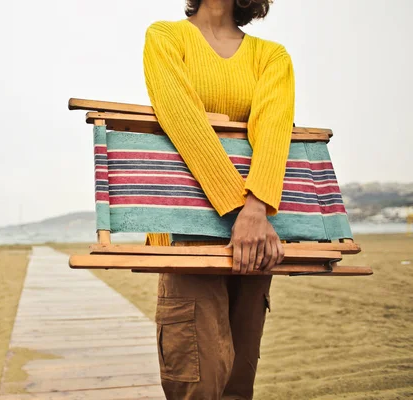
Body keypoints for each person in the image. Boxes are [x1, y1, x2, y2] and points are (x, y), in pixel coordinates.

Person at [143, 0, 295, 398]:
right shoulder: (165, 36)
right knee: (196, 376)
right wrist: (240, 209)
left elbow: (275, 130)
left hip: (257, 229)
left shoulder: (271, 56)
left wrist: (256, 210)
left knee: (238, 382)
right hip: (185, 230)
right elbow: (181, 118)